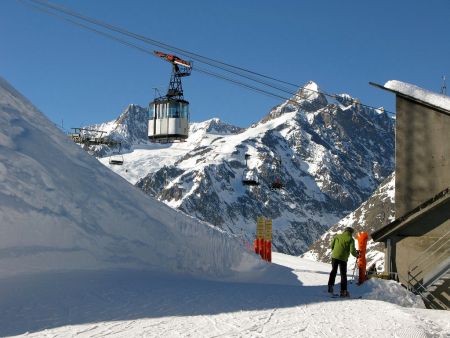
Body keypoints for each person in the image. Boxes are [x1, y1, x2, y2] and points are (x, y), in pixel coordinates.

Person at [327, 227, 359, 297]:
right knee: (343, 274)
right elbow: (352, 251)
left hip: (334, 256)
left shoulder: (337, 236)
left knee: (333, 271)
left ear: (345, 231)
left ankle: (330, 287)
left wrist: (335, 251)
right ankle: (343, 291)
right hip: (343, 259)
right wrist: (357, 255)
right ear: (351, 232)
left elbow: (331, 245)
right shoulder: (351, 239)